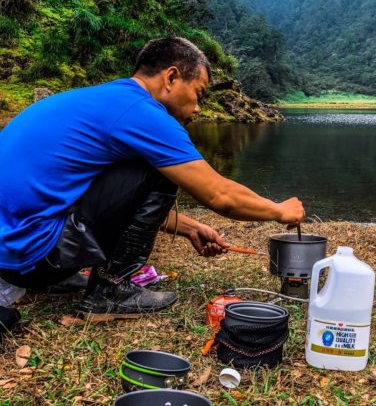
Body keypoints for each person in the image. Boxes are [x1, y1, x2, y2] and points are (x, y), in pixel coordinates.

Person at [0, 37, 304, 317]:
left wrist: (188, 227)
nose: (198, 108)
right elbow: (219, 196)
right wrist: (279, 210)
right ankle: (109, 291)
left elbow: (105, 197)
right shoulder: (142, 113)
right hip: (30, 258)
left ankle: (62, 276)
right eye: (198, 94)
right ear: (171, 77)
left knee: (132, 162)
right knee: (158, 165)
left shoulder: (103, 99)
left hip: (11, 256)